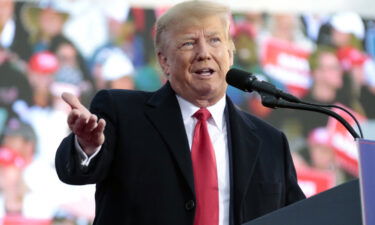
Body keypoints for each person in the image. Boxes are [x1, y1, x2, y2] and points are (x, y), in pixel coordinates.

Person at [55, 1, 305, 225]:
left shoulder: (270, 142)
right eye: (188, 43)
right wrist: (87, 148)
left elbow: (301, 216)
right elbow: (75, 172)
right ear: (164, 61)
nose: (204, 53)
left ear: (230, 54)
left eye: (215, 40)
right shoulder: (121, 112)